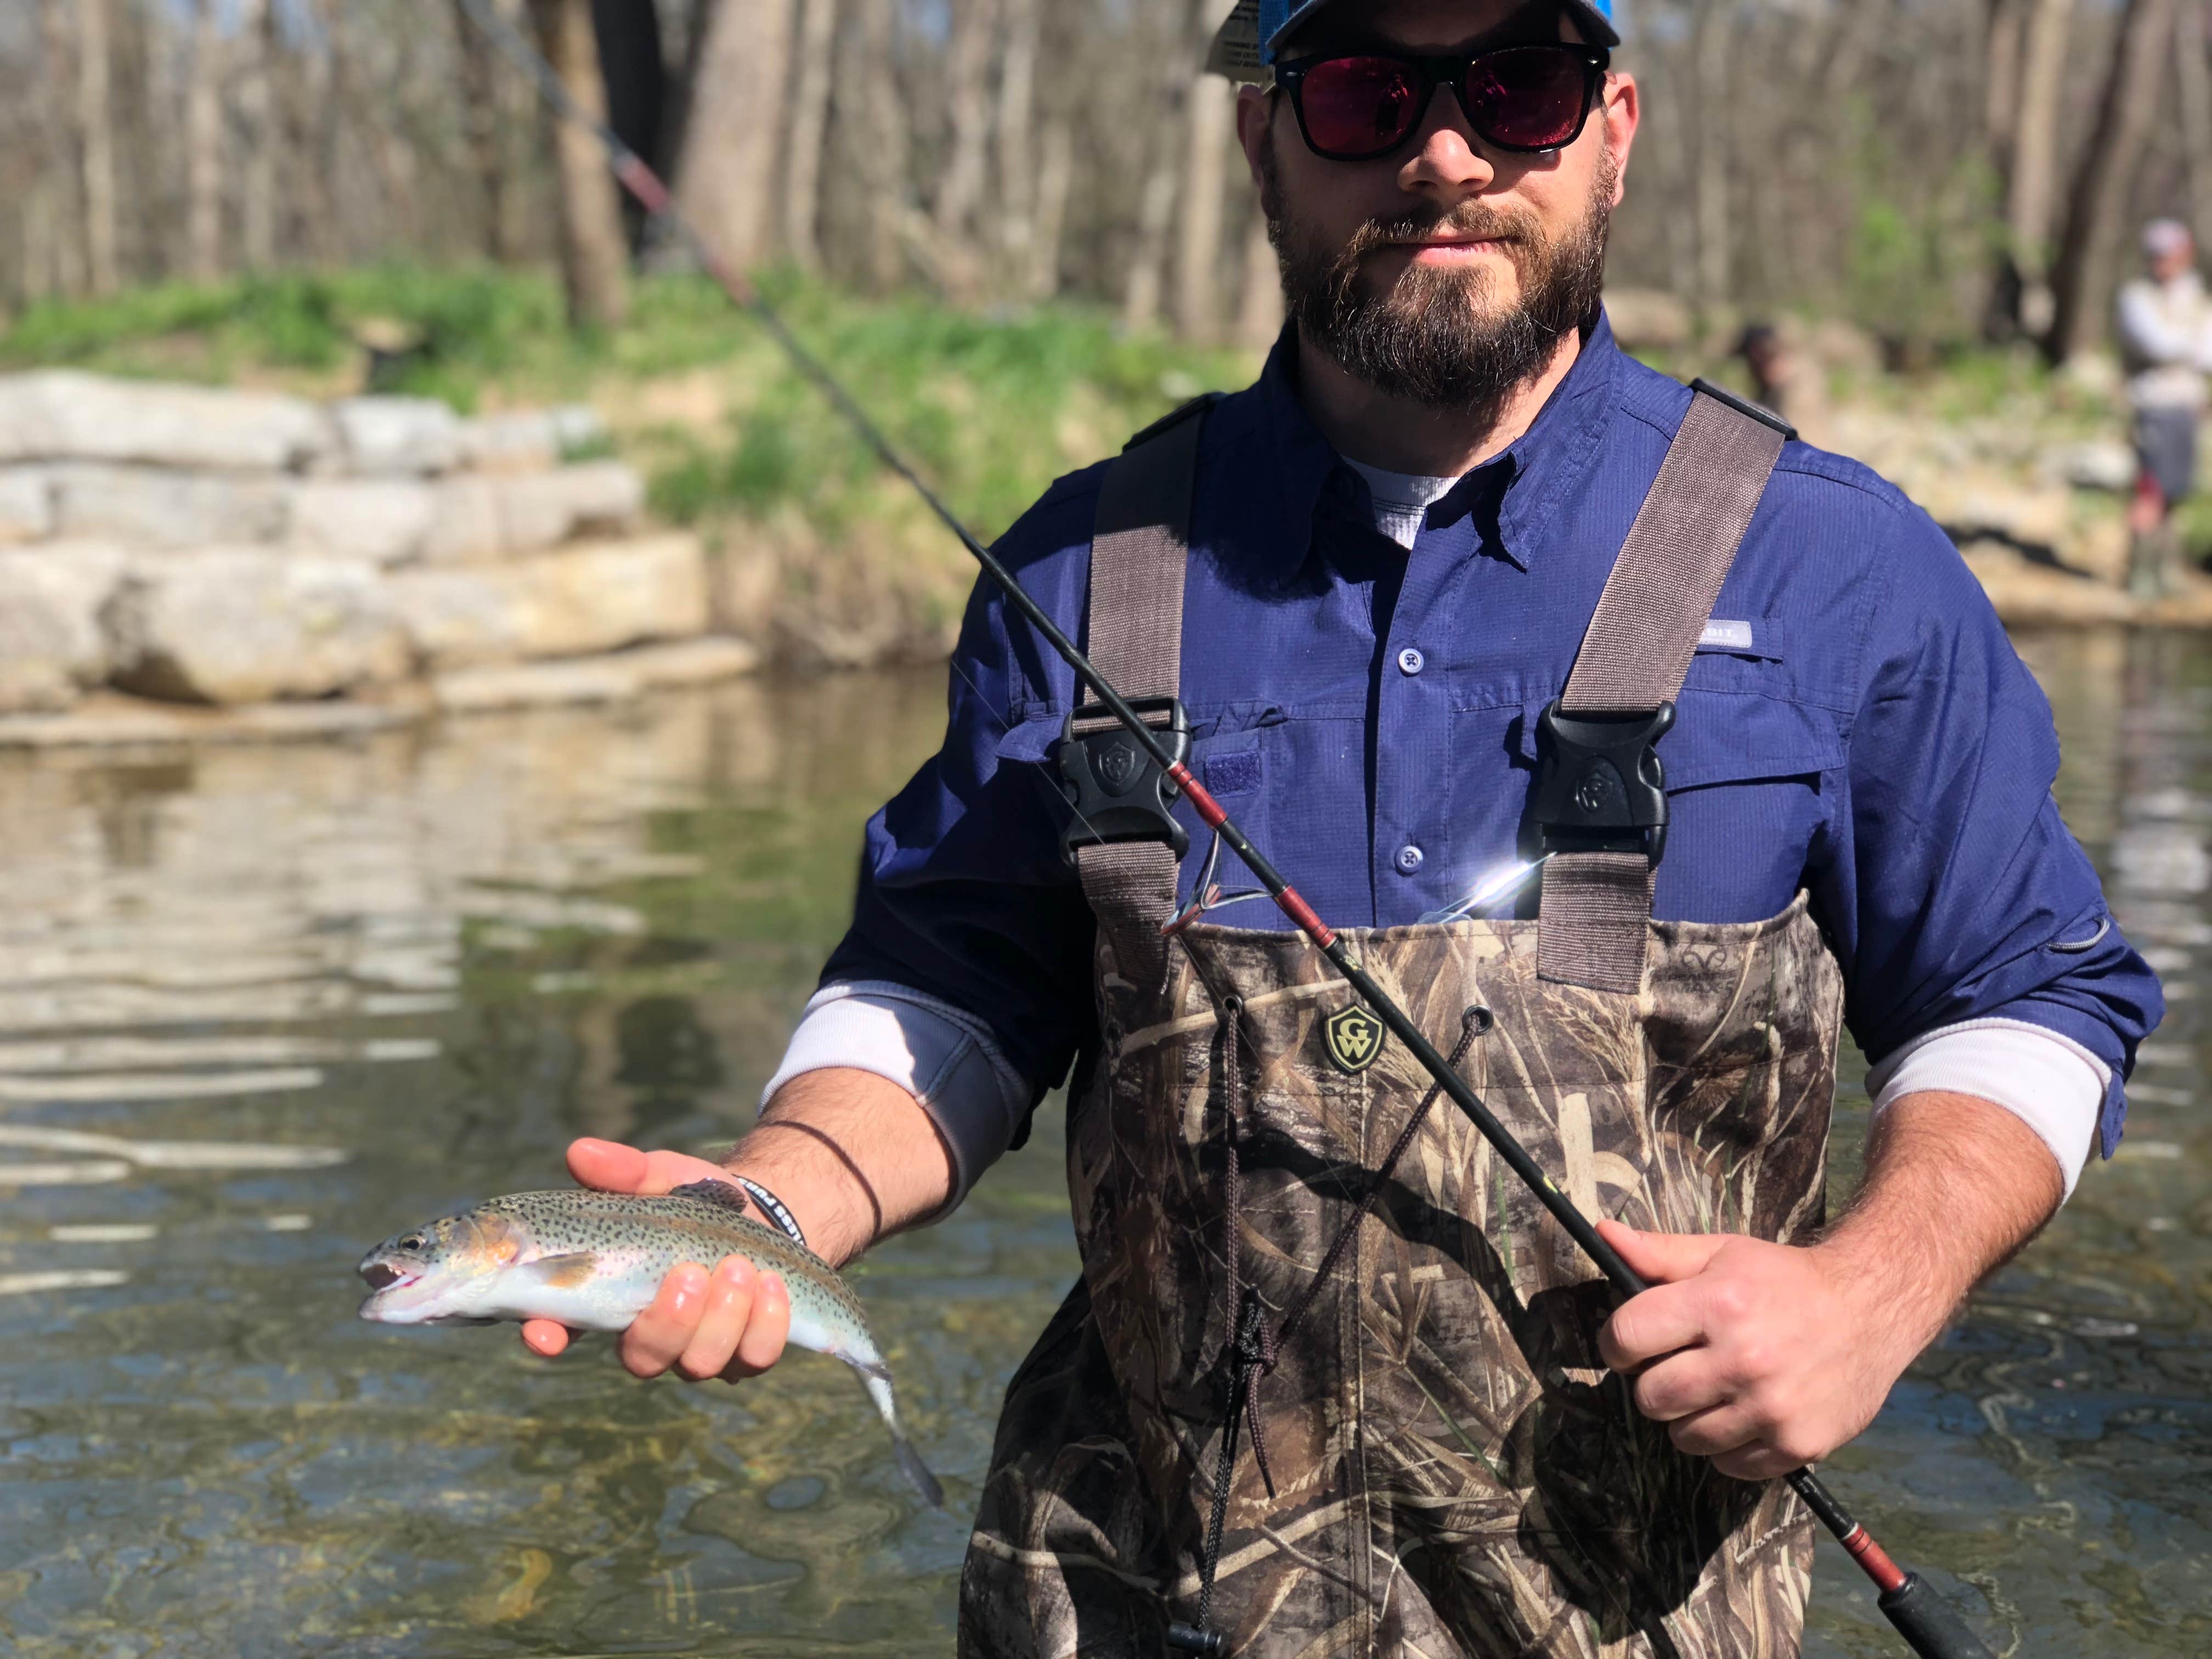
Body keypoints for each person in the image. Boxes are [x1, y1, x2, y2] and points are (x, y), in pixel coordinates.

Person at [523, 1, 2162, 1653]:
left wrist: (1868, 1299)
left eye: (1516, 87)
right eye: (1365, 93)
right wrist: (767, 1205)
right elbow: (943, 993)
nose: (1444, 153)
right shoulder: (1087, 568)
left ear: (1612, 131)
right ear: (1261, 141)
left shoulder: (1833, 567)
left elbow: (2023, 997)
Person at [2118, 219, 2212, 598]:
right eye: (2157, 255)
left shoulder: (2198, 298)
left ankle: (2166, 576)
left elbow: (2207, 354)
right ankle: (2139, 579)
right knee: (2150, 493)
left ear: (2185, 254)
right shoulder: (2136, 297)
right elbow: (2158, 344)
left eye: (2170, 254)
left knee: (2176, 493)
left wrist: (2188, 346)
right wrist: (2189, 344)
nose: (2163, 262)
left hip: (2188, 408)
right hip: (2152, 406)